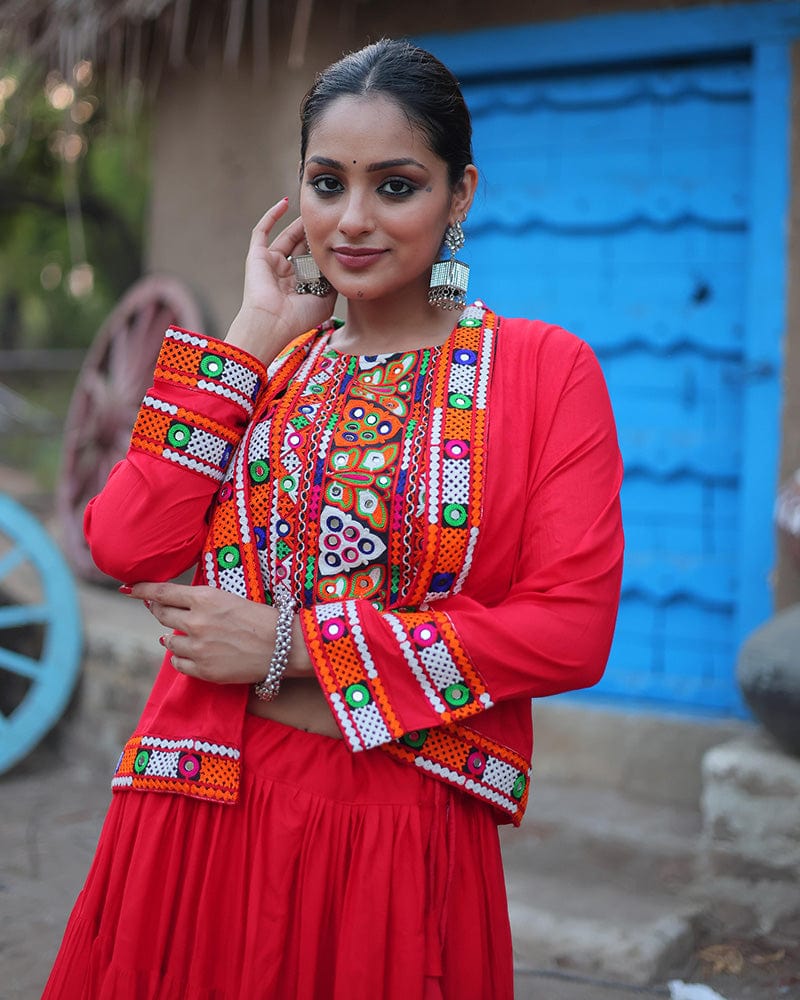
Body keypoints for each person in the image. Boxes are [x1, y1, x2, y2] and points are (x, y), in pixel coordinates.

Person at [43, 37, 624, 1000]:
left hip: (396, 834)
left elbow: (570, 631)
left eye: (396, 186)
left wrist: (296, 644)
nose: (351, 221)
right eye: (327, 183)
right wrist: (249, 334)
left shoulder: (543, 372)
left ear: (460, 194)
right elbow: (124, 543)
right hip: (199, 808)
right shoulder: (266, 368)